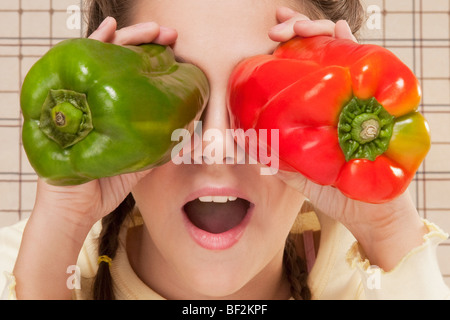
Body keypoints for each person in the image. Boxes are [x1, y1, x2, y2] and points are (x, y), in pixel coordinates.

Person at [1, 0, 449, 300]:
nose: (215, 148)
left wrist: (386, 226)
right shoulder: (35, 263)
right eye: (177, 101)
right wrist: (61, 225)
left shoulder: (367, 280)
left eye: (259, 99)